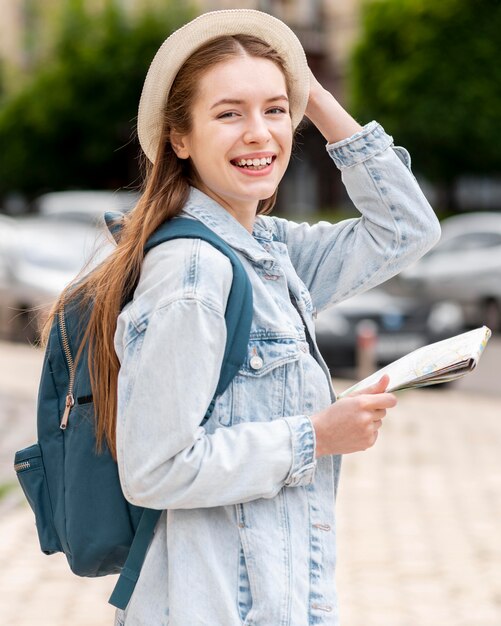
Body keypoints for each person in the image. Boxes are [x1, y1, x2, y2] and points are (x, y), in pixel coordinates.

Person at [62, 9, 440, 626]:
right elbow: (156, 470)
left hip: (274, 595)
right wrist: (318, 435)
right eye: (229, 113)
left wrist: (311, 91)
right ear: (178, 139)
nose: (260, 133)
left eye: (274, 109)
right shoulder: (191, 274)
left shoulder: (269, 251)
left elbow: (405, 228)